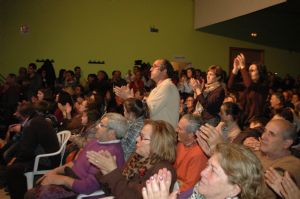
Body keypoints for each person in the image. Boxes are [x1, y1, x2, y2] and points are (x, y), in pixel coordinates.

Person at [25, 113, 127, 198]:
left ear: (112, 133)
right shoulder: (96, 142)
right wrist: (54, 171)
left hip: (79, 192)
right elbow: (75, 163)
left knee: (34, 195)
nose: (96, 126)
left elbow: (87, 187)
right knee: (32, 192)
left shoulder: (110, 154)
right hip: (70, 179)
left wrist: (59, 179)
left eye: (101, 125)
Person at [86, 120, 177, 199]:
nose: (137, 139)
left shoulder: (163, 171)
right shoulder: (136, 159)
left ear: (158, 144)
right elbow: (114, 191)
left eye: (142, 137)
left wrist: (113, 172)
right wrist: (105, 171)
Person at [142, 143, 265, 199]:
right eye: (208, 166)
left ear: (234, 190)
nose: (202, 173)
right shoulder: (197, 191)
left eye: (214, 171)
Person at [2, 102, 60, 199]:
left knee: (13, 169)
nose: (15, 114)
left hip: (47, 160)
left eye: (17, 112)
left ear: (23, 115)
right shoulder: (36, 120)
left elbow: (27, 151)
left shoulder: (32, 124)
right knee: (13, 163)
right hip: (49, 156)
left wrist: (15, 160)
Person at [114, 59, 180, 128]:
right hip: (158, 133)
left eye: (154, 66)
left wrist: (129, 98)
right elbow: (144, 108)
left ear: (164, 71)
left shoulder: (167, 87)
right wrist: (131, 97)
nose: (151, 69)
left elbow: (147, 111)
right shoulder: (159, 88)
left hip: (163, 135)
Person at [227, 53, 268, 127]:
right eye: (248, 71)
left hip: (254, 123)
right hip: (243, 120)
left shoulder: (263, 86)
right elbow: (230, 85)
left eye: (252, 70)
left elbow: (249, 85)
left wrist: (243, 66)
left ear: (260, 72)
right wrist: (235, 69)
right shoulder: (246, 84)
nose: (249, 73)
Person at [174, 114, 208, 198]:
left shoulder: (199, 154)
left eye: (180, 129)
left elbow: (189, 188)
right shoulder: (181, 143)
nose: (176, 130)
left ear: (191, 135)